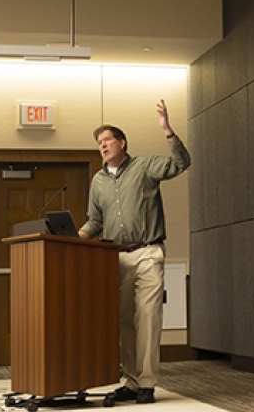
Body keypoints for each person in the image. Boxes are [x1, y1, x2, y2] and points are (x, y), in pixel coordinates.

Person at [78, 99, 191, 404]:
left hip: (148, 253)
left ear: (122, 142)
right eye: (99, 142)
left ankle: (148, 384)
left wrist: (168, 131)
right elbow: (95, 221)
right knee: (125, 321)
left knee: (148, 317)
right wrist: (74, 238)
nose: (103, 146)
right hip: (117, 257)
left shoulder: (145, 166)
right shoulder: (98, 181)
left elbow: (181, 164)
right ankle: (130, 381)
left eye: (107, 140)